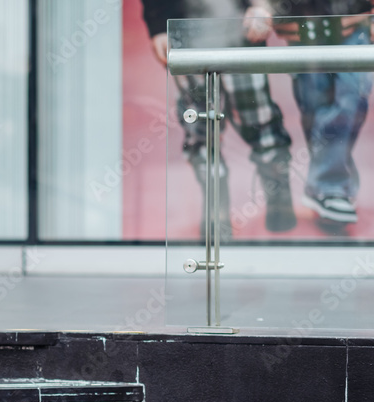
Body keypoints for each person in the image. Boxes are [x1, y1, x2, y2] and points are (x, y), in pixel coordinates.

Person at [142, 0, 297, 238]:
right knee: (201, 129)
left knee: (258, 118)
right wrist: (158, 26)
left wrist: (264, 6)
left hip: (241, 27)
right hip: (186, 30)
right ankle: (216, 208)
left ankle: (278, 195)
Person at [267, 0, 374, 229]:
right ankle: (331, 192)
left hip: (354, 23)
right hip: (303, 27)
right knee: (315, 108)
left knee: (351, 100)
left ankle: (330, 188)